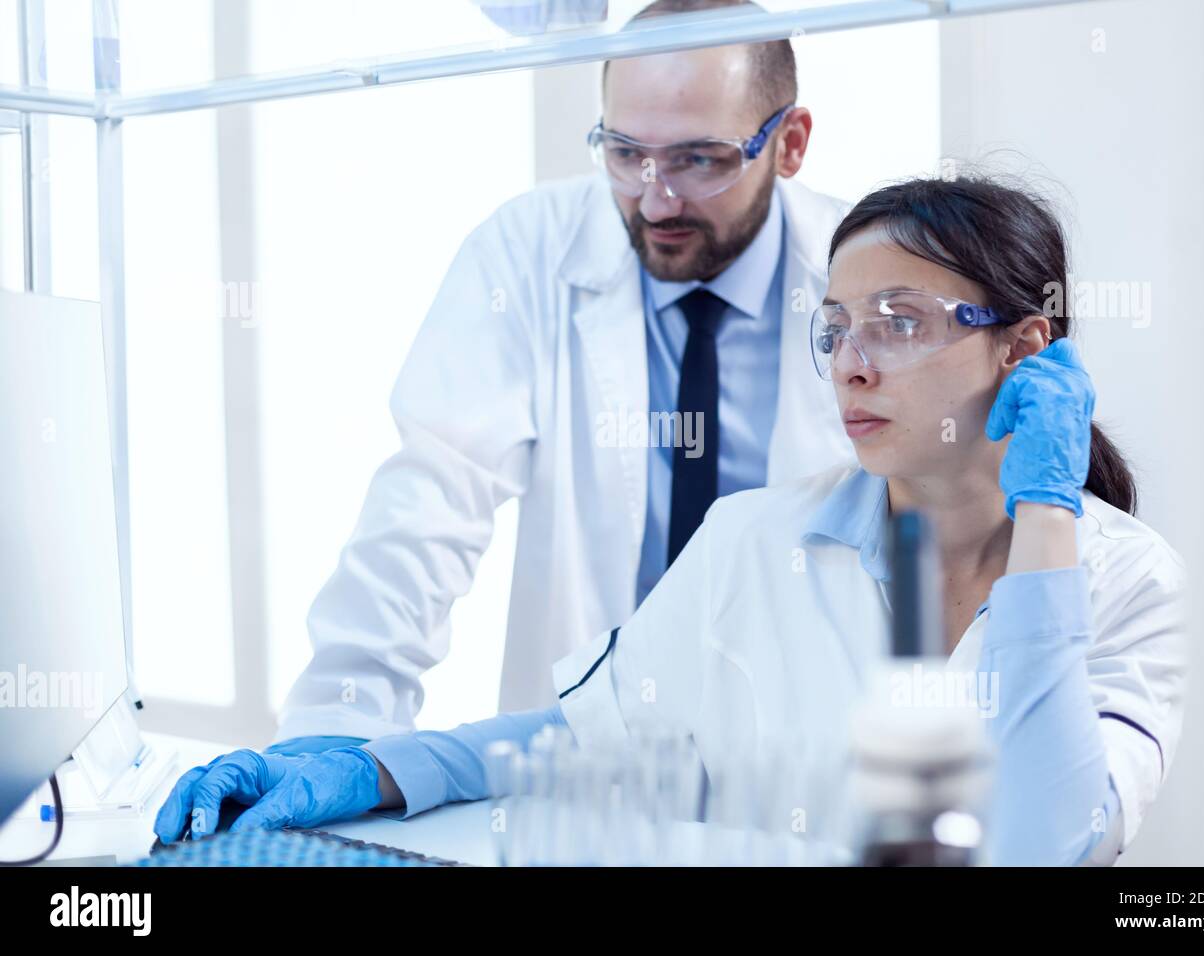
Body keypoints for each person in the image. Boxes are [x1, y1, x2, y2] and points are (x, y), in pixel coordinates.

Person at [156, 174, 1186, 866]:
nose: (852, 362)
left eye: (900, 322)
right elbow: (579, 738)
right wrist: (369, 765)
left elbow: (1053, 840)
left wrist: (1046, 519)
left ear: (1025, 349)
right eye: (833, 328)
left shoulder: (1127, 578)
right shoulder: (753, 539)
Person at [269, 0, 853, 753]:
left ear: (791, 142)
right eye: (624, 153)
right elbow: (425, 509)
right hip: (592, 756)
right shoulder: (529, 252)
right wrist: (335, 727)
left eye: (697, 159)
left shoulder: (864, 283)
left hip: (800, 758)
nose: (654, 198)